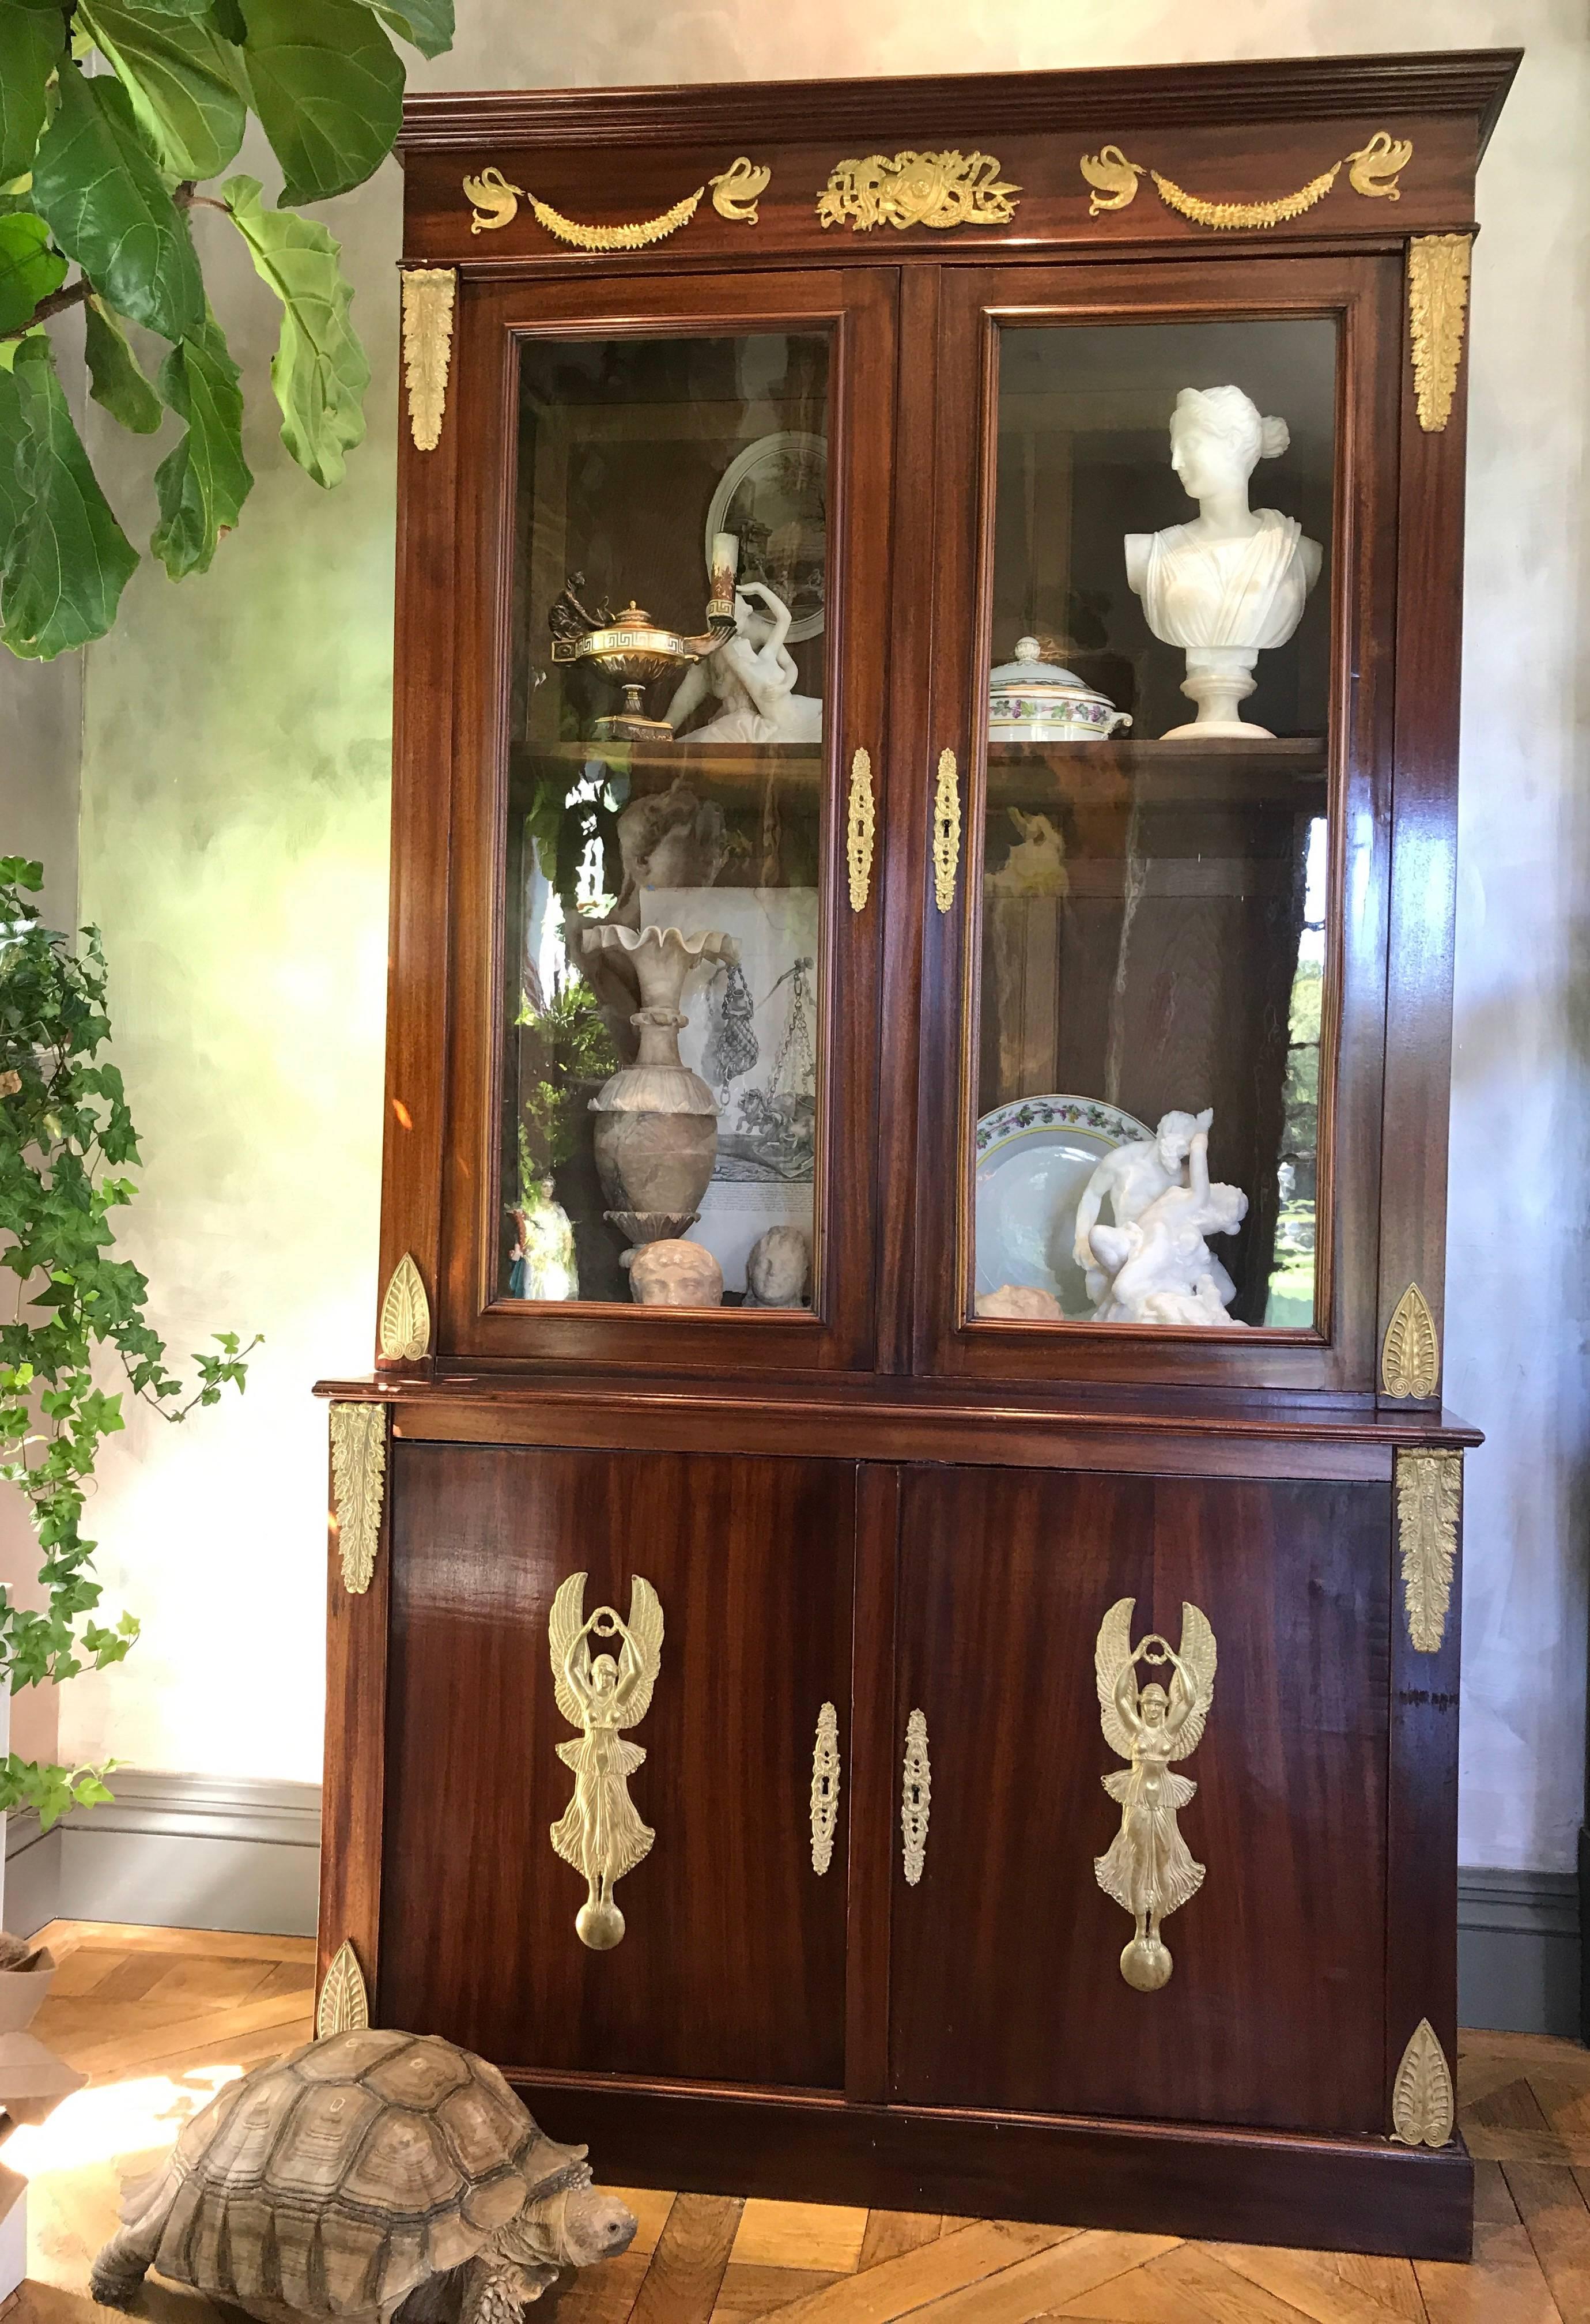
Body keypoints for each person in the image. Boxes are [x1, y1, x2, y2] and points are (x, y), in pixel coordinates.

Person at [1125, 384, 1321, 736]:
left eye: (1188, 447)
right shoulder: (1148, 552)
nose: (1175, 463)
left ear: (1232, 444)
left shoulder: (1297, 552)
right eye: (1174, 450)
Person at [663, 581, 821, 744]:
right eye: (714, 623)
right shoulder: (741, 666)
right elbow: (693, 688)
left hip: (800, 715)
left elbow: (785, 620)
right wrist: (668, 727)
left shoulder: (766, 654)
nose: (730, 633)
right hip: (764, 723)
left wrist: (758, 588)